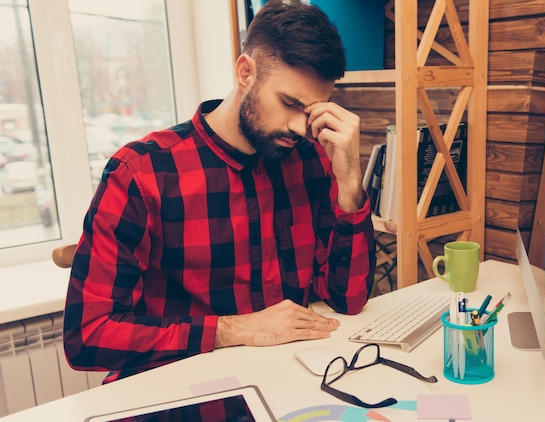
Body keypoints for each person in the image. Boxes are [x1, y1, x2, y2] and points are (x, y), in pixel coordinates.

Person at [63, 0, 375, 383]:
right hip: (177, 395)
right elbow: (87, 337)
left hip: (287, 385)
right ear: (245, 72)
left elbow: (348, 299)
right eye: (289, 103)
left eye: (311, 111)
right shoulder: (142, 173)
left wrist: (349, 186)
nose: (299, 127)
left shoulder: (310, 161)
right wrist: (236, 329)